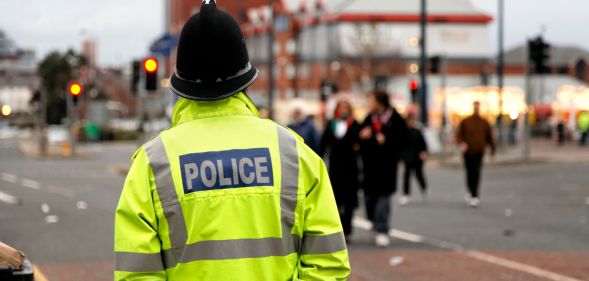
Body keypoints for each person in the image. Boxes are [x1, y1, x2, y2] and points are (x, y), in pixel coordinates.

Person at [114, 1, 350, 280]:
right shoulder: (294, 154)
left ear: (182, 81)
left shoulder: (153, 163)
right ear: (246, 79)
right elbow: (328, 264)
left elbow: (137, 275)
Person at [359, 90, 408, 247]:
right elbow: (359, 140)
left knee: (383, 198)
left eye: (372, 100)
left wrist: (387, 140)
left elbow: (403, 139)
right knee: (369, 198)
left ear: (379, 102)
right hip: (370, 166)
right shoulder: (369, 118)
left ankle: (382, 229)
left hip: (387, 166)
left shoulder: (395, 119)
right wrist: (364, 136)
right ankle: (374, 222)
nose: (370, 103)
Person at [319, 99, 361, 242]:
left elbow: (360, 143)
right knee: (335, 200)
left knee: (349, 201)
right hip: (335, 167)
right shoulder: (331, 124)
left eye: (346, 107)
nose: (343, 110)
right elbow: (323, 145)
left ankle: (348, 230)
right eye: (341, 107)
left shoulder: (355, 124)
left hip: (351, 167)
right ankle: (338, 230)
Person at [456, 101, 496, 208]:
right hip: (468, 152)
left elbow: (489, 137)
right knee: (469, 172)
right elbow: (459, 135)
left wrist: (493, 149)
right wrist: (462, 144)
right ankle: (470, 190)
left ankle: (475, 194)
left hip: (479, 151)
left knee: (476, 172)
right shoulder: (466, 121)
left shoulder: (484, 122)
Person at [399, 114, 428, 206]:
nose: (410, 123)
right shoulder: (403, 132)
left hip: (417, 157)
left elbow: (423, 143)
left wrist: (424, 152)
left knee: (419, 174)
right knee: (406, 176)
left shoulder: (417, 131)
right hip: (407, 157)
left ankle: (423, 188)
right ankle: (406, 194)